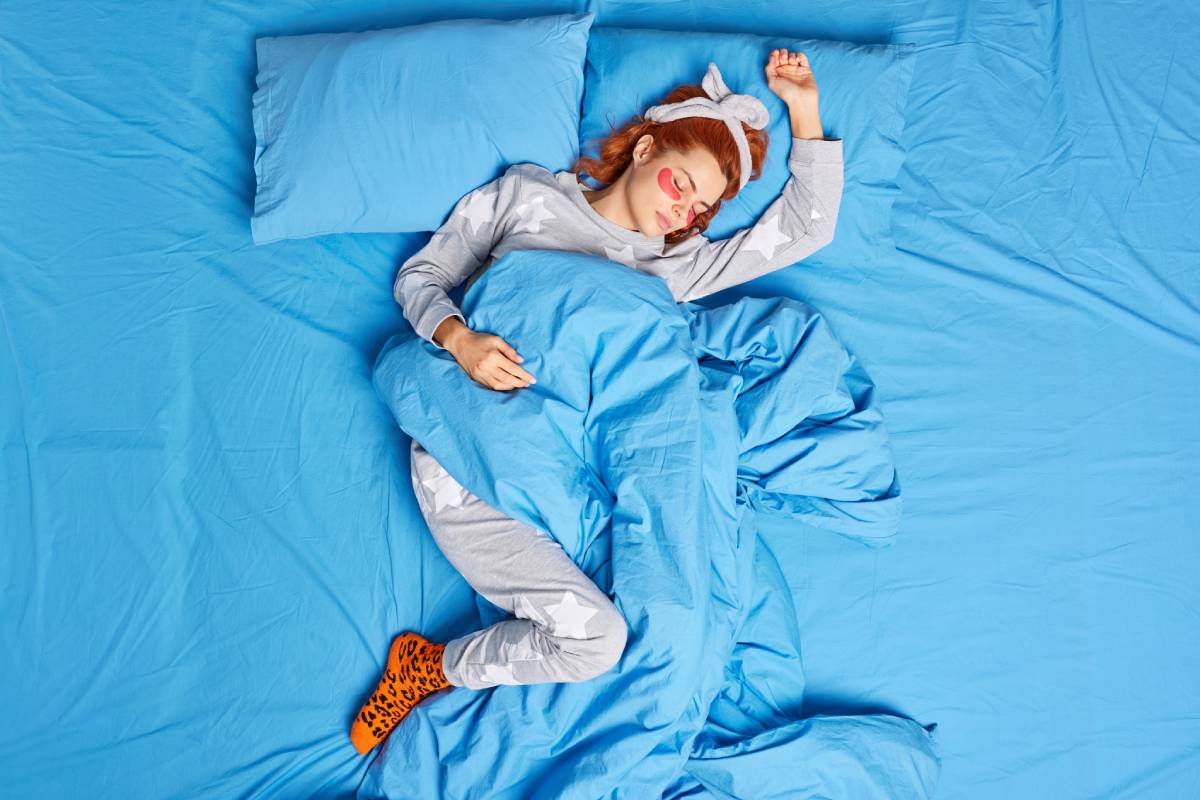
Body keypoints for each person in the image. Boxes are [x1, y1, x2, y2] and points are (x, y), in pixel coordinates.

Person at [350, 49, 843, 755]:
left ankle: (434, 669)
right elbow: (422, 276)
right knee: (608, 634)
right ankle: (436, 669)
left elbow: (806, 228)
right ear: (645, 146)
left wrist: (805, 109)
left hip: (562, 482)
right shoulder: (528, 198)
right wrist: (459, 340)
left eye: (702, 208)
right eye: (683, 183)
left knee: (616, 640)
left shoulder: (672, 269)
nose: (686, 209)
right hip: (465, 443)